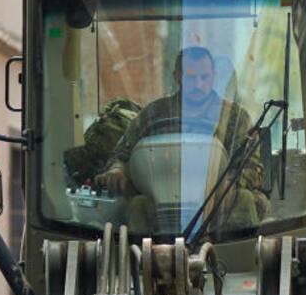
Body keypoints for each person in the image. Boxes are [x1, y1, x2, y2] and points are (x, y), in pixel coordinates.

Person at [97, 46, 267, 230]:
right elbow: (123, 153)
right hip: (158, 199)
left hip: (217, 202)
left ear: (214, 76)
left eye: (204, 77)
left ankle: (239, 256)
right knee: (135, 206)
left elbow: (250, 164)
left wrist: (230, 184)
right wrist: (117, 170)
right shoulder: (154, 113)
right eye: (191, 77)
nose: (199, 84)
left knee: (245, 200)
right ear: (177, 76)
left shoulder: (235, 117)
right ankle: (138, 256)